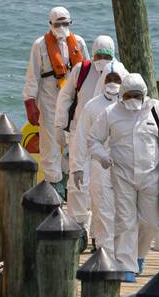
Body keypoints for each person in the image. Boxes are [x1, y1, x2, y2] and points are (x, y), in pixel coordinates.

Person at [88, 73, 159, 279]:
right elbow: (93, 139)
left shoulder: (155, 109)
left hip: (152, 175)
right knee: (125, 222)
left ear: (144, 94)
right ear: (121, 95)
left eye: (136, 95)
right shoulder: (111, 113)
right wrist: (102, 156)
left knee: (151, 223)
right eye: (128, 95)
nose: (132, 99)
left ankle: (139, 255)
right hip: (122, 174)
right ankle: (126, 266)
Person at [55, 34, 128, 245]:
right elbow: (65, 97)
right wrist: (60, 125)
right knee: (77, 185)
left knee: (102, 190)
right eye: (98, 54)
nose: (101, 59)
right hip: (80, 132)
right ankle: (79, 229)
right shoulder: (82, 70)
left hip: (106, 143)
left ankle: (100, 235)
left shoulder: (120, 74)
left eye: (106, 55)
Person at [22, 6, 88, 192]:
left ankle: (71, 180)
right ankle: (53, 186)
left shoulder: (79, 43)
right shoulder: (39, 45)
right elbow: (32, 76)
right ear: (50, 24)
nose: (62, 27)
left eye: (65, 23)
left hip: (73, 101)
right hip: (49, 100)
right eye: (58, 24)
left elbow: (88, 71)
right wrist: (30, 102)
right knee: (49, 144)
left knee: (75, 140)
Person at [69, 69, 123, 258]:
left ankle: (119, 253)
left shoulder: (127, 106)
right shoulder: (92, 107)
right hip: (99, 164)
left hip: (124, 165)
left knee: (122, 211)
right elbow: (81, 138)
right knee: (102, 209)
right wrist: (77, 167)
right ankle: (104, 253)